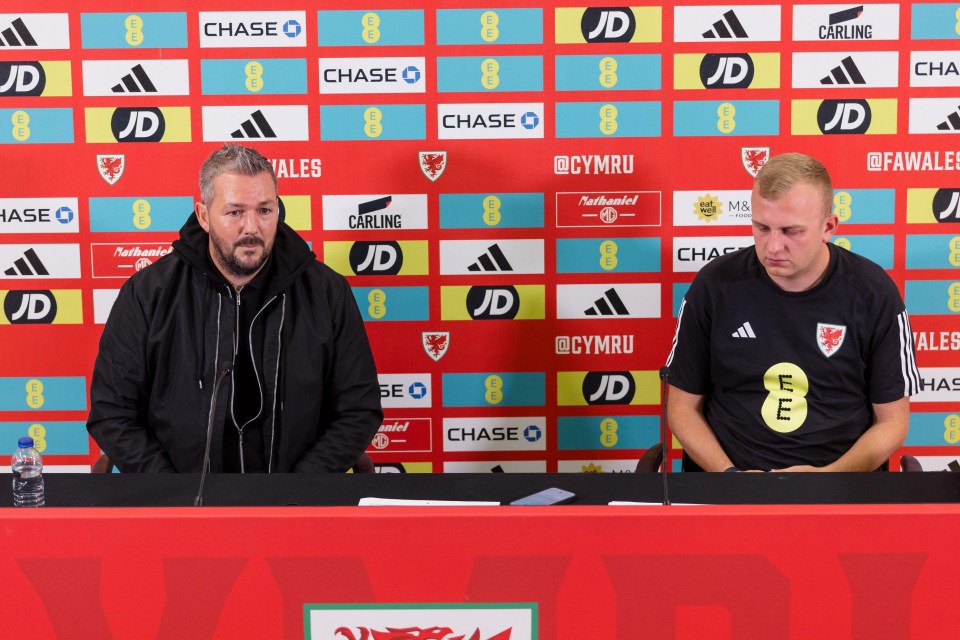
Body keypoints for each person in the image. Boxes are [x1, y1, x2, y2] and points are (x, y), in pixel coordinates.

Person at [87, 144, 383, 473]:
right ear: (204, 216)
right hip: (183, 504)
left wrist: (302, 489)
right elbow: (112, 412)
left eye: (265, 211)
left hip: (295, 501)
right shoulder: (148, 293)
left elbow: (359, 409)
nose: (252, 227)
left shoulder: (327, 292)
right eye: (235, 212)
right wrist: (170, 491)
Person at [664, 153, 920, 472]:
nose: (772, 247)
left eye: (791, 231)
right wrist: (729, 476)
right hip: (729, 485)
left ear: (828, 227)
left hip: (839, 486)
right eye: (761, 227)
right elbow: (681, 408)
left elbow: (893, 422)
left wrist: (827, 479)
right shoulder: (714, 285)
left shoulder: (874, 293)